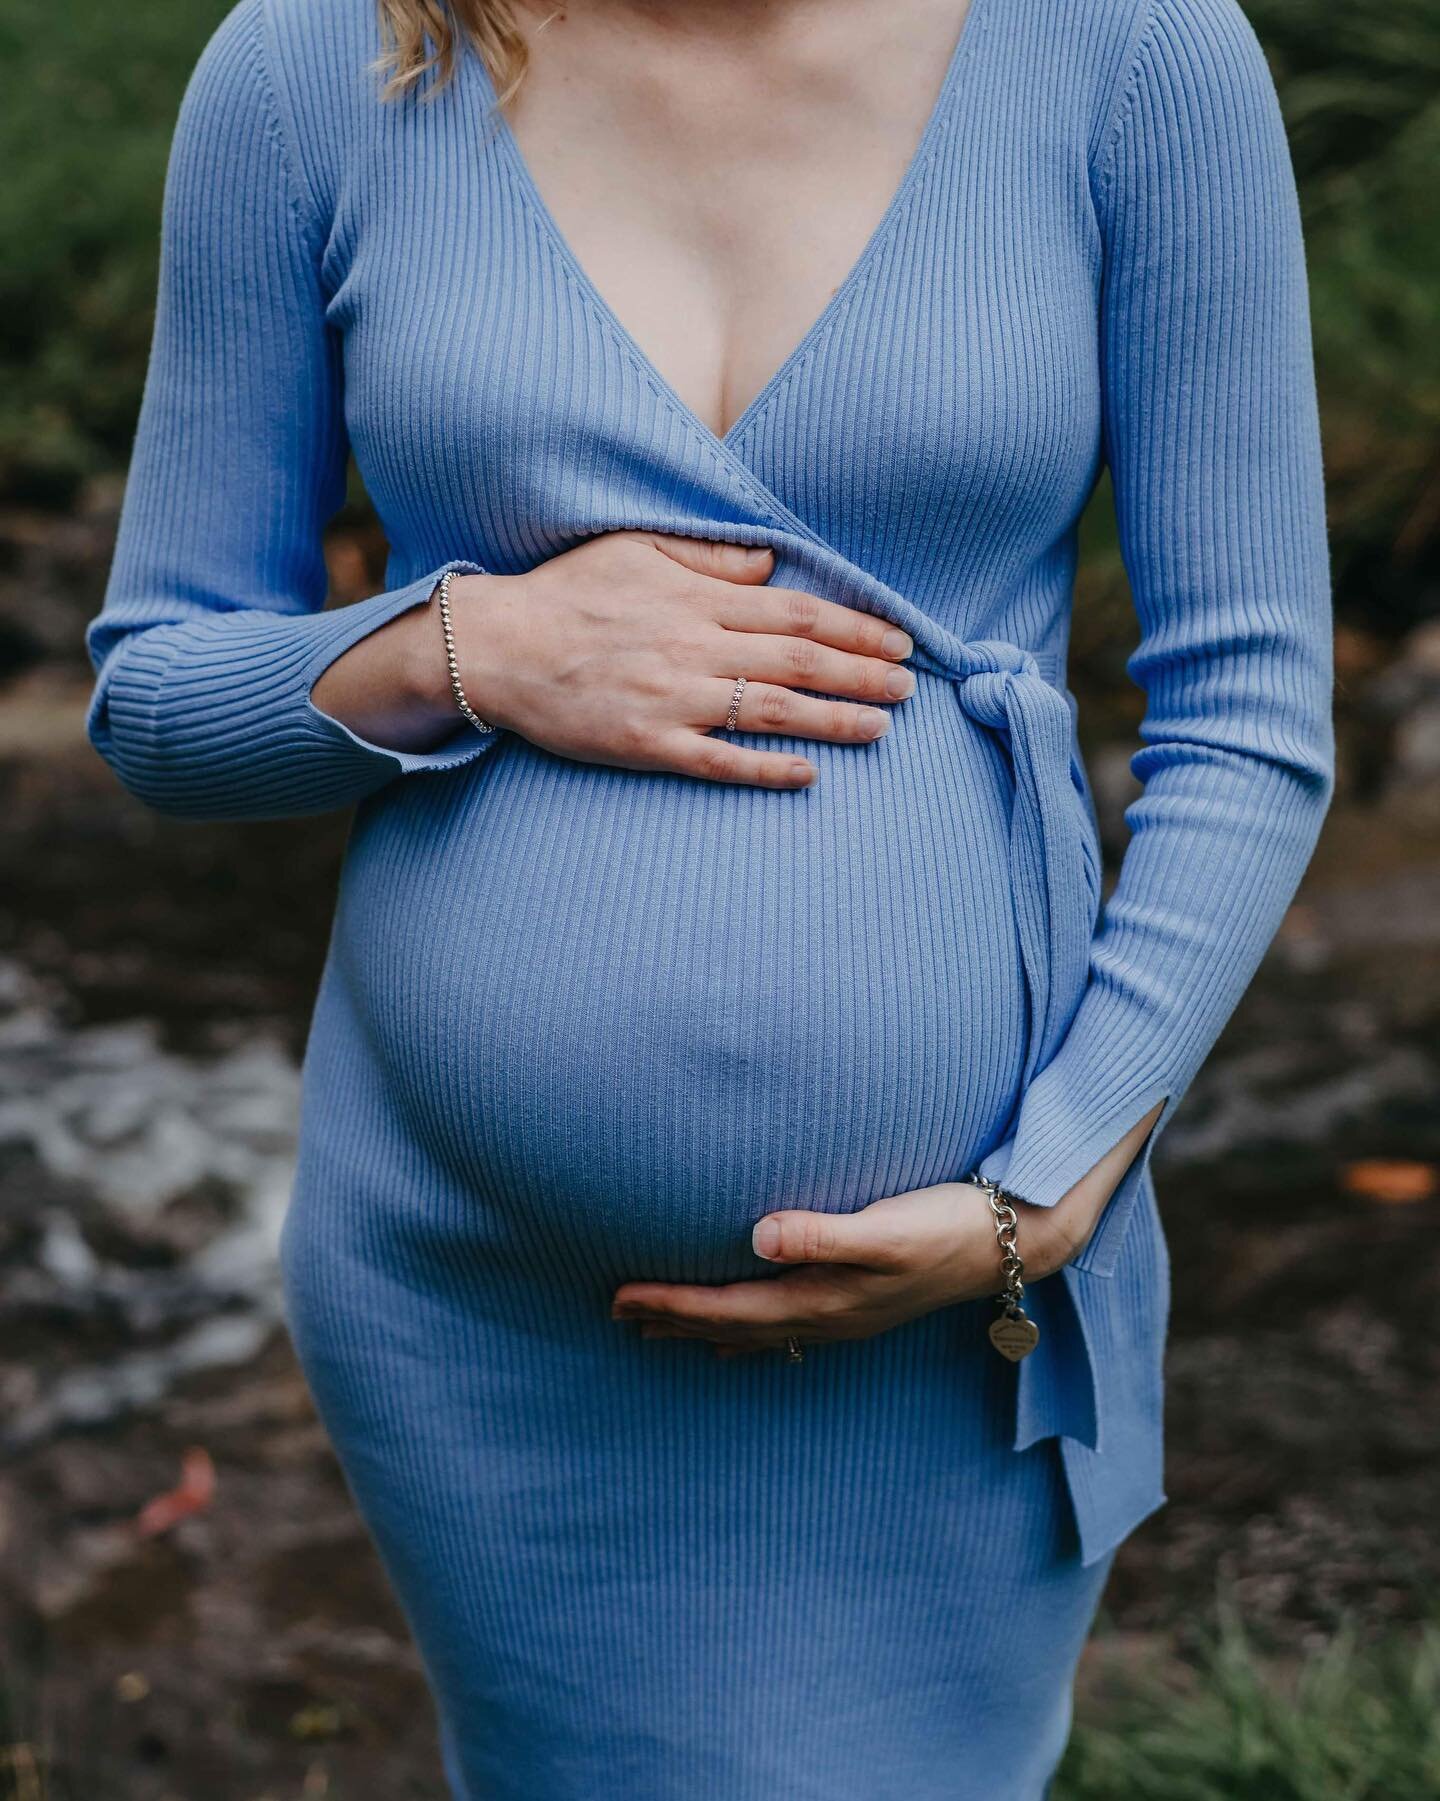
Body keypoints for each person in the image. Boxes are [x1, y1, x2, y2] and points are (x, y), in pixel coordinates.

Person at [83, 0, 1335, 1793]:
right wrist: (472, 642)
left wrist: (1054, 1180)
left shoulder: (1134, 54)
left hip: (950, 1296)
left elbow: (1252, 716)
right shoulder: (320, 66)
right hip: (480, 1302)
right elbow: (155, 703)